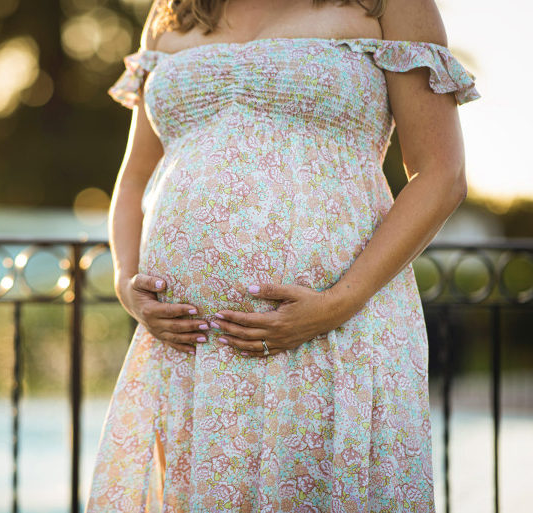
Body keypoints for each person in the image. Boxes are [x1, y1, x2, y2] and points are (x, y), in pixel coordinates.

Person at [86, 0, 480, 510]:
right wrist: (125, 282)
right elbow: (135, 174)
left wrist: (341, 300)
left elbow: (440, 174)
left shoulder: (387, 4)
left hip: (333, 332)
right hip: (192, 353)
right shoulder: (173, 12)